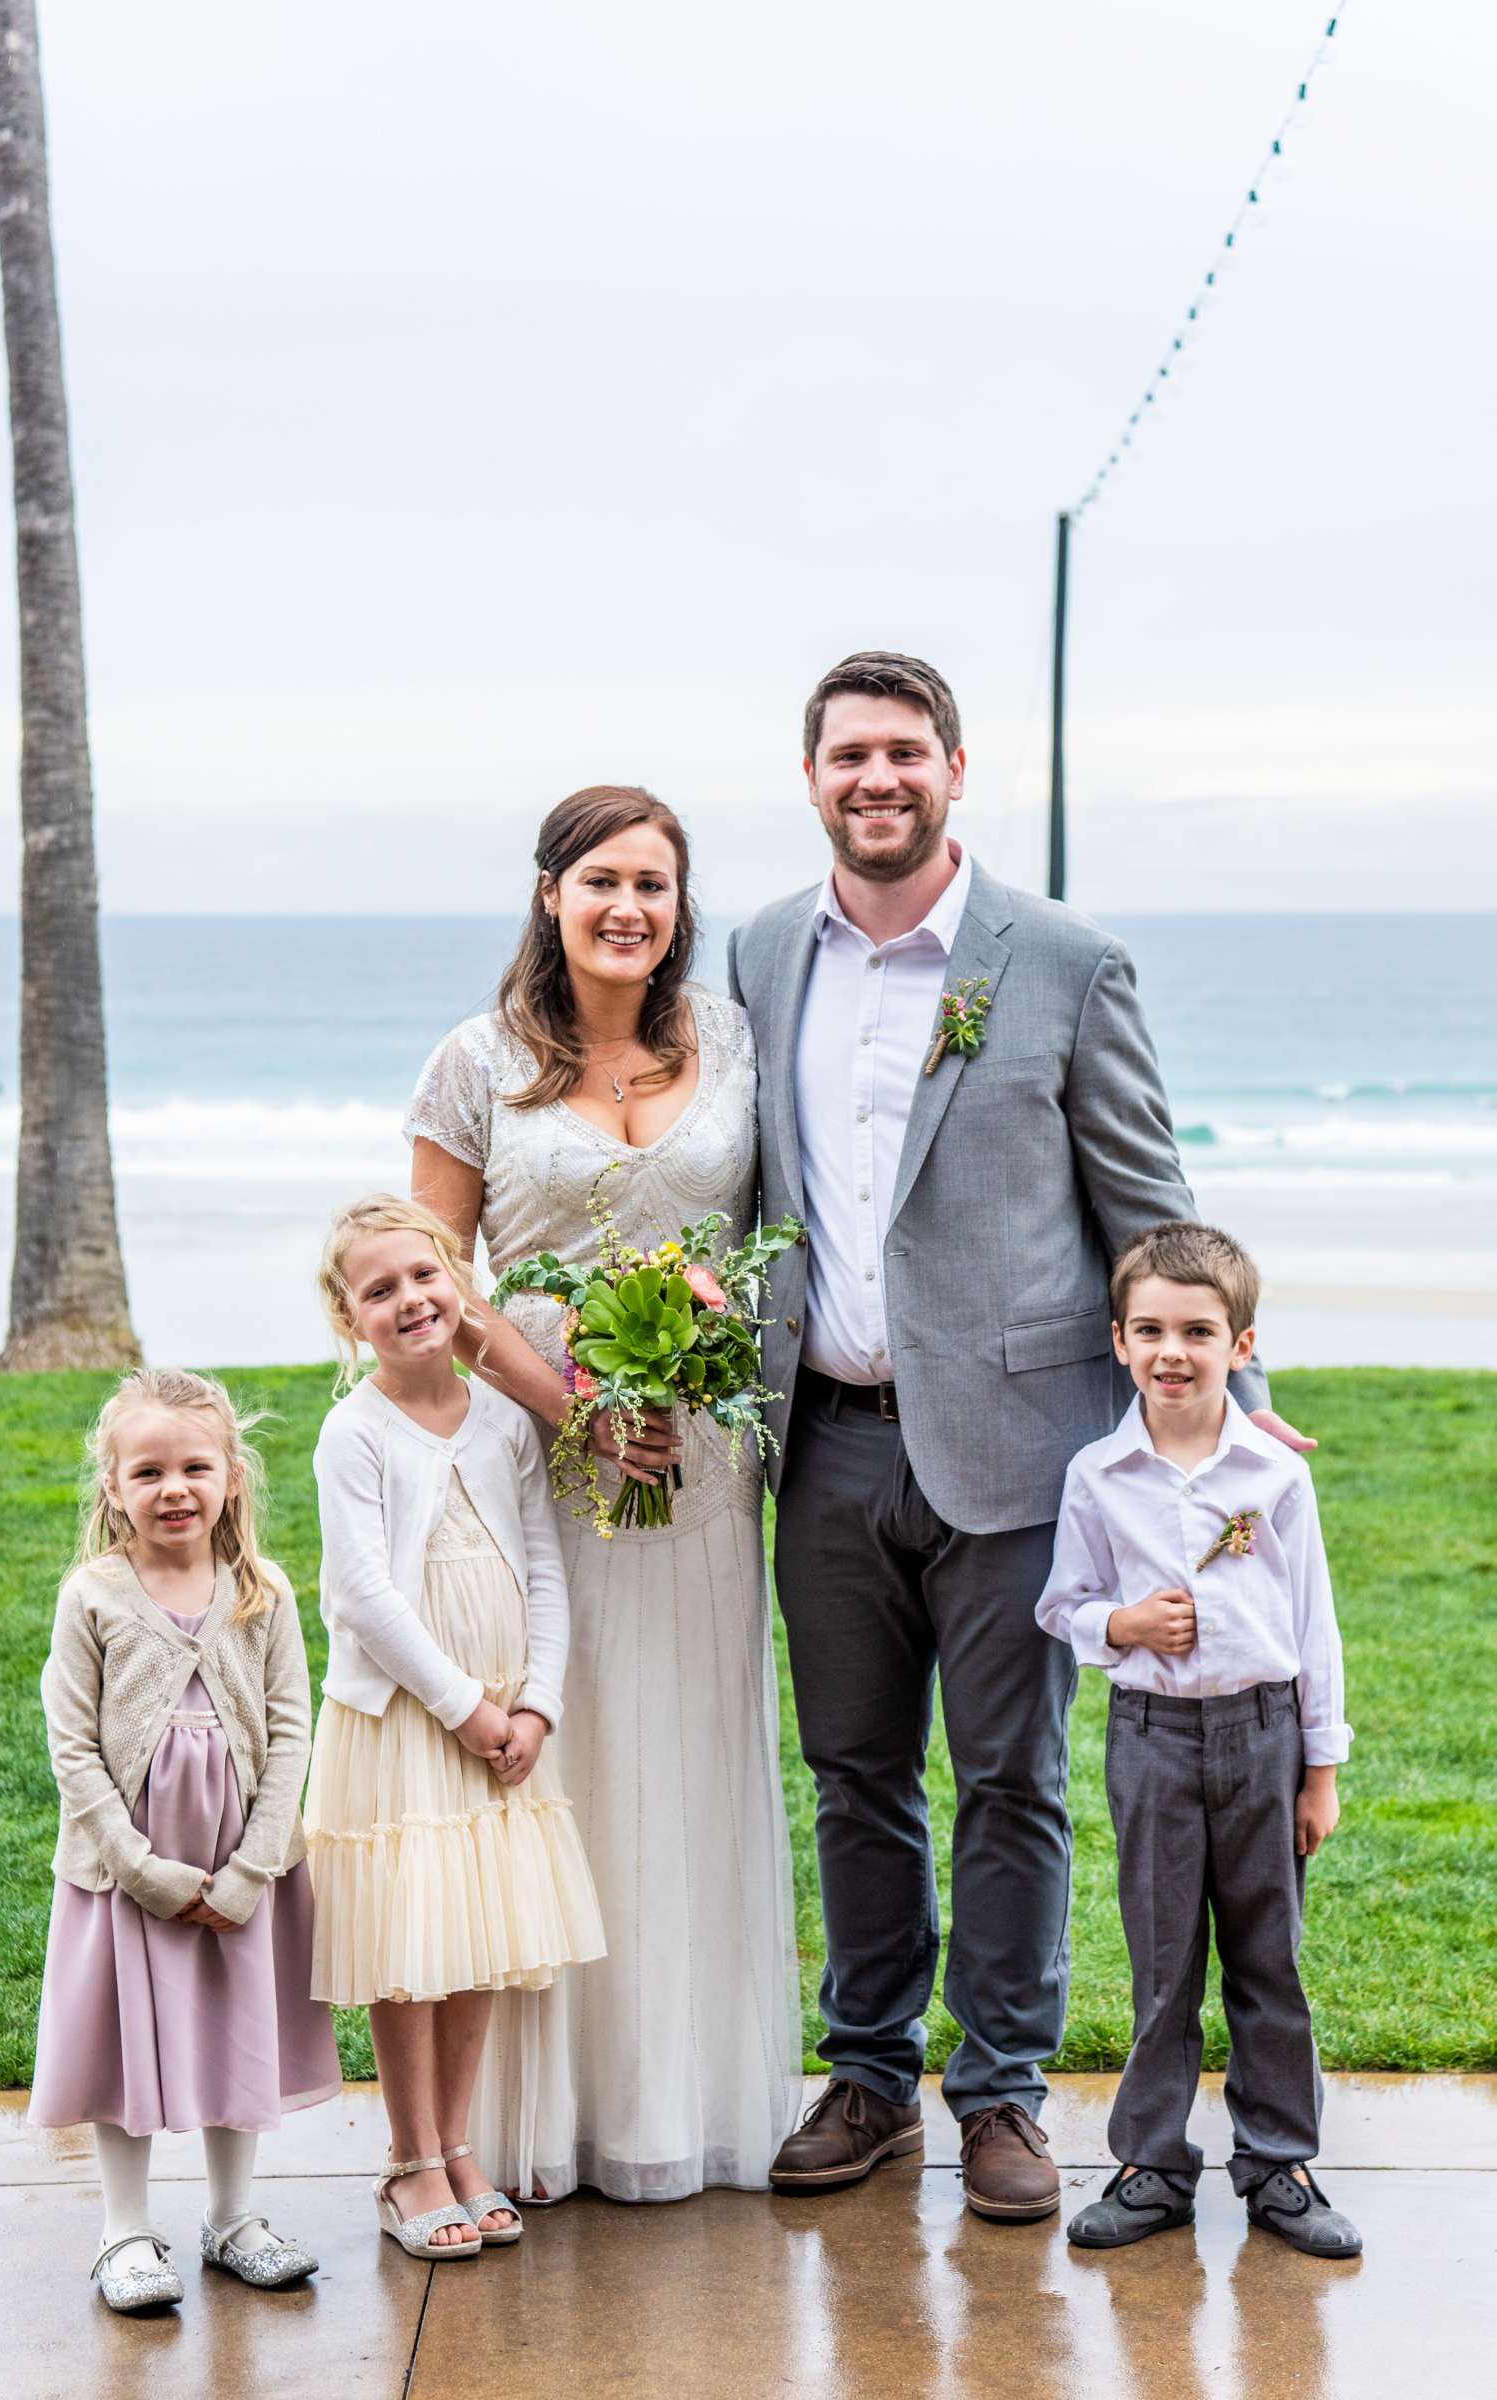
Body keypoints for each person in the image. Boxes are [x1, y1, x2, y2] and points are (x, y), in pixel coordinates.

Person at [731, 650, 1312, 2220]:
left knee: (1008, 1781)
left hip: (1018, 1449)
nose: (876, 779)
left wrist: (1234, 1421)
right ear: (809, 778)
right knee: (852, 1776)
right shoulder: (759, 951)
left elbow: (1145, 1200)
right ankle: (864, 2078)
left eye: (904, 752)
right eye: (848, 754)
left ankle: (996, 2091)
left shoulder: (1058, 959)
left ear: (954, 769)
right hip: (826, 1442)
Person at [405, 785, 800, 2202]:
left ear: (680, 907)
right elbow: (432, 1281)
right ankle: (532, 2123)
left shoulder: (737, 1043)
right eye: (601, 882)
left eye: (655, 883)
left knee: (686, 1761)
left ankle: (676, 2103)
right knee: (557, 1766)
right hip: (538, 1465)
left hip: (703, 1473)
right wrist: (572, 1405)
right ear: (549, 897)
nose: (629, 907)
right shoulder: (475, 1061)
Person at [1037, 1222, 1361, 2258]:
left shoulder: (1276, 1479)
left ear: (1243, 1345)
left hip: (1265, 1737)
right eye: (1150, 1330)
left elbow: (1314, 1627)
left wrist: (1322, 1770)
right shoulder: (1098, 1474)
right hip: (1153, 1740)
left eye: (1198, 1330)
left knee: (1270, 1959)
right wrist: (1121, 1627)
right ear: (1120, 1344)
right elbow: (1063, 1605)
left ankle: (1279, 2165)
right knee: (1164, 1960)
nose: (1173, 1350)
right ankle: (1151, 2166)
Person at [303, 1194, 604, 2254]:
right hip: (405, 1726)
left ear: (458, 1284)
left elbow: (544, 1568)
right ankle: (408, 2160)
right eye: (378, 1291)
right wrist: (464, 1708)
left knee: (475, 1938)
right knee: (408, 1944)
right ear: (351, 1322)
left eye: (424, 1277)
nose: (410, 1301)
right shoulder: (355, 1433)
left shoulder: (507, 1421)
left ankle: (460, 2143)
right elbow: (364, 1597)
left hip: (501, 1724)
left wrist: (536, 1703)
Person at [30, 1368, 340, 2315]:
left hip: (236, 1862)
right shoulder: (94, 1596)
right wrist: (140, 1867)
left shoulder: (263, 1592)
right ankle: (124, 2231)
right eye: (149, 1471)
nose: (175, 1489)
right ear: (112, 1487)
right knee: (125, 2048)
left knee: (231, 2031)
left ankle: (233, 2218)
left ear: (232, 1476)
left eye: (195, 1467)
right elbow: (71, 1744)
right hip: (131, 1869)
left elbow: (293, 1729)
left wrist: (252, 1868)